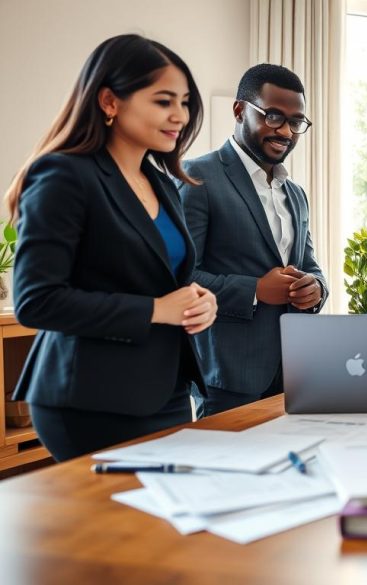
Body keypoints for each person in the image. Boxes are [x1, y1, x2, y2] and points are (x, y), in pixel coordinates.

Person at [5, 34, 218, 461]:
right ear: (109, 101)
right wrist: (158, 310)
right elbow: (36, 301)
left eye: (185, 102)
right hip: (90, 398)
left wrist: (200, 300)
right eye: (163, 101)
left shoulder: (162, 182)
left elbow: (160, 276)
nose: (180, 115)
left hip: (168, 390)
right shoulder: (64, 175)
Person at [181, 64, 327, 417]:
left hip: (294, 371)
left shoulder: (295, 193)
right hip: (228, 377)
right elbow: (180, 279)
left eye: (296, 122)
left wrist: (316, 289)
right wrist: (256, 291)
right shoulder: (197, 176)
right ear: (239, 111)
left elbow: (310, 266)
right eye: (273, 116)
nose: (286, 132)